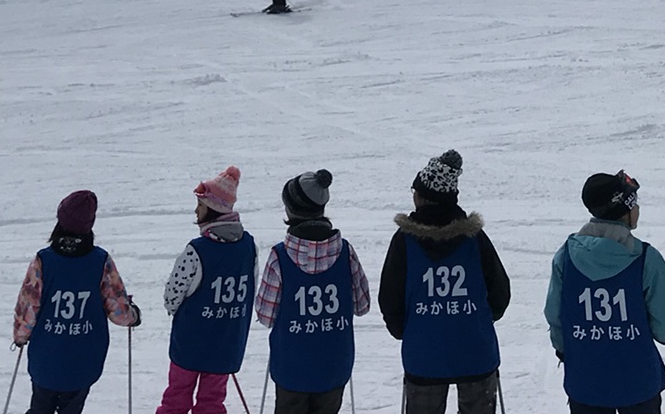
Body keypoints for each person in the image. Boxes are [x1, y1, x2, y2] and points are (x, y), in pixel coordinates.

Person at [382, 150, 510, 414]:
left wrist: (405, 330)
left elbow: (390, 297)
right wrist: (480, 320)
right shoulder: (474, 238)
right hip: (476, 351)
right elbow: (500, 291)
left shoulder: (404, 241)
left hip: (423, 355)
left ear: (423, 197)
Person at [546, 171, 665, 414]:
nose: (638, 209)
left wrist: (565, 348)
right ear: (626, 209)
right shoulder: (646, 259)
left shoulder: (565, 256)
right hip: (637, 382)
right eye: (635, 203)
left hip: (585, 382)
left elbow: (555, 316)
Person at [14, 190, 142, 414]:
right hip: (83, 360)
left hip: (46, 357)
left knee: (40, 407)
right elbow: (117, 309)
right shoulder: (100, 261)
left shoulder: (44, 260)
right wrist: (132, 315)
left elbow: (28, 305)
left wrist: (21, 335)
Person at [256, 169, 370, 414]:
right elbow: (362, 306)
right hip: (334, 367)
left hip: (291, 369)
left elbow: (266, 316)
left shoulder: (280, 257)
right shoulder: (345, 253)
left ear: (291, 210)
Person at [158, 166, 256, 414]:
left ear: (213, 210)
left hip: (190, 343)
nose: (195, 210)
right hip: (226, 342)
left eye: (200, 206)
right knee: (212, 402)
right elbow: (250, 286)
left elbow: (172, 297)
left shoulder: (197, 250)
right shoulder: (248, 246)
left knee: (176, 398)